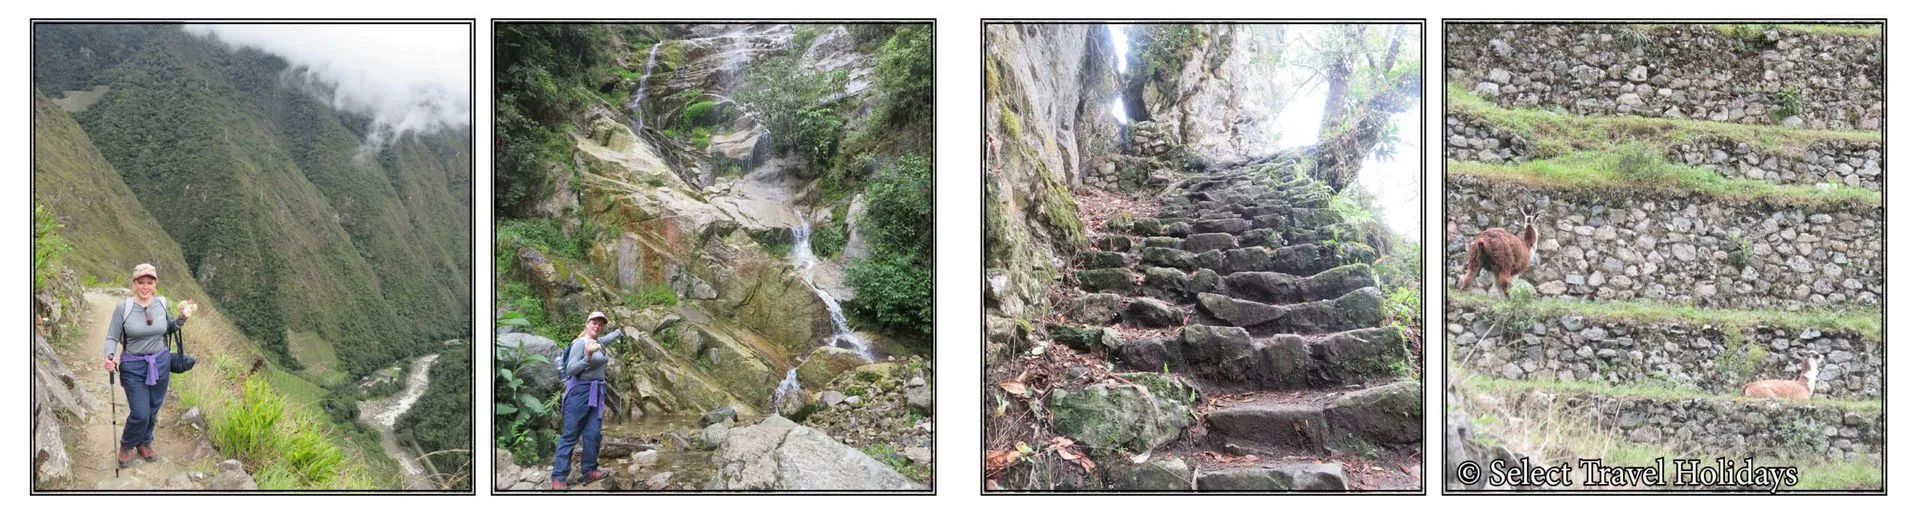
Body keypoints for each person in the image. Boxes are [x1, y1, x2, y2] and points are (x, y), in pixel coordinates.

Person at [103, 263, 195, 468]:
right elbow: (112, 336)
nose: (145, 286)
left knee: (153, 408)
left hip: (161, 362)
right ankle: (127, 444)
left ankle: (145, 441)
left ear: (155, 284)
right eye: (140, 282)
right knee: (140, 412)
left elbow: (168, 328)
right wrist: (109, 356)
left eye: (149, 282)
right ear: (134, 283)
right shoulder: (124, 308)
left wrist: (181, 318)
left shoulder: (161, 303)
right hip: (133, 366)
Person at [550, 311, 622, 490]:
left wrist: (620, 332)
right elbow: (571, 369)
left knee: (593, 434)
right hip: (579, 392)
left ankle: (589, 470)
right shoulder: (579, 344)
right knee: (570, 434)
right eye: (594, 323)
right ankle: (559, 476)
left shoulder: (599, 342)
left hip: (596, 392)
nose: (597, 326)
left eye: (600, 324)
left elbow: (607, 339)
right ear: (587, 324)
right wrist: (588, 357)